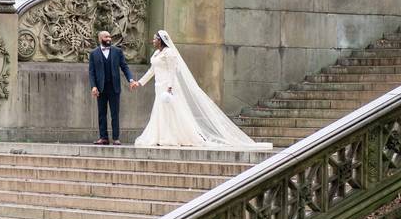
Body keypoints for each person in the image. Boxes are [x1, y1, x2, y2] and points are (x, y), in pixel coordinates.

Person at [134, 30, 272, 150]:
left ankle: (174, 136)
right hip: (159, 86)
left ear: (161, 40)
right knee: (161, 112)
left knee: (173, 112)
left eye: (155, 39)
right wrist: (139, 83)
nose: (153, 41)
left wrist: (169, 87)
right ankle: (161, 136)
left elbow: (172, 71)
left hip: (167, 87)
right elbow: (152, 71)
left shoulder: (169, 53)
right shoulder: (156, 54)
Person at [88, 30, 136, 145]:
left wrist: (131, 80)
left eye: (109, 36)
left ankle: (116, 138)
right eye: (106, 37)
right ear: (100, 39)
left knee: (115, 113)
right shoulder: (94, 53)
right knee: (102, 113)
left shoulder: (117, 51)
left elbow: (124, 67)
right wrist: (93, 86)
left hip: (114, 87)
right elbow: (91, 72)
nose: (109, 38)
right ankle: (103, 137)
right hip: (101, 88)